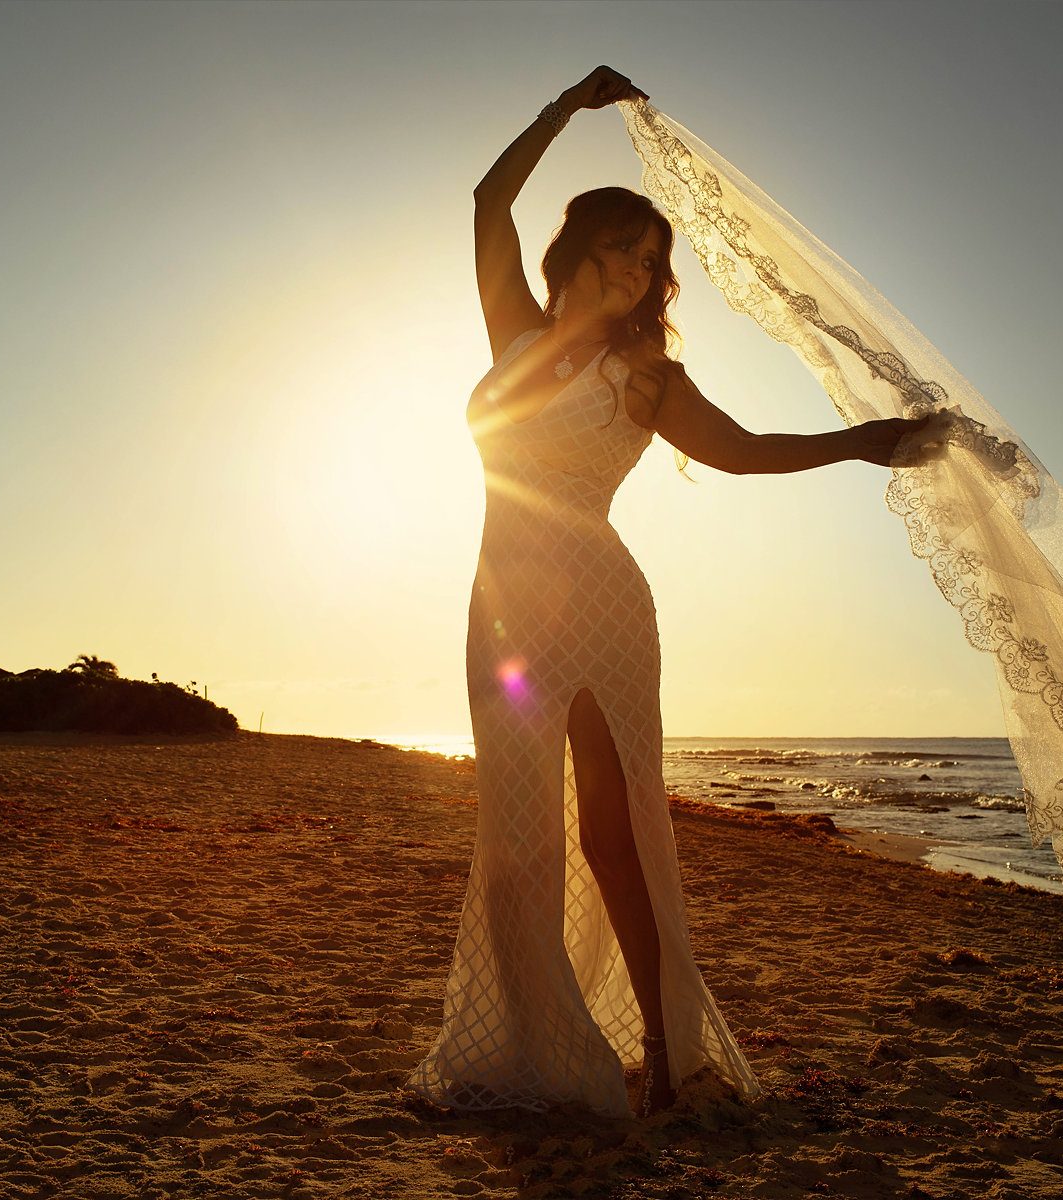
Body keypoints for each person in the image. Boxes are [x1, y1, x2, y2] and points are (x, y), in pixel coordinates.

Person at [406, 67, 937, 1120]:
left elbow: (740, 453)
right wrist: (563, 110)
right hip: (501, 609)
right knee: (516, 843)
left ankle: (662, 1053)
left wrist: (865, 445)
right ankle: (541, 1048)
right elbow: (486, 202)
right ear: (579, 253)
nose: (643, 274)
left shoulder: (649, 376)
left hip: (602, 604)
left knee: (615, 831)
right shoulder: (511, 334)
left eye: (656, 265)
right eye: (626, 251)